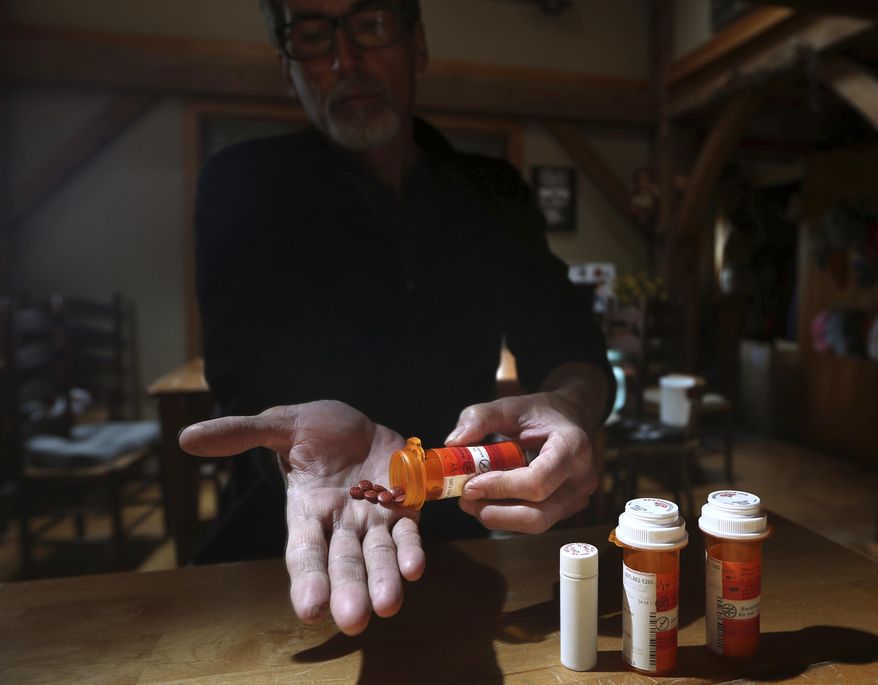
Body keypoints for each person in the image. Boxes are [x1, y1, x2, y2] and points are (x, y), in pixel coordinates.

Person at [179, 0, 614, 637]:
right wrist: (301, 457)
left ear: (418, 44)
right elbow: (243, 381)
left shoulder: (492, 192)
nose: (343, 60)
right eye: (310, 34)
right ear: (286, 65)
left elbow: (571, 345)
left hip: (468, 527)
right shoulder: (240, 184)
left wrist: (574, 406)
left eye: (370, 24)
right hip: (295, 522)